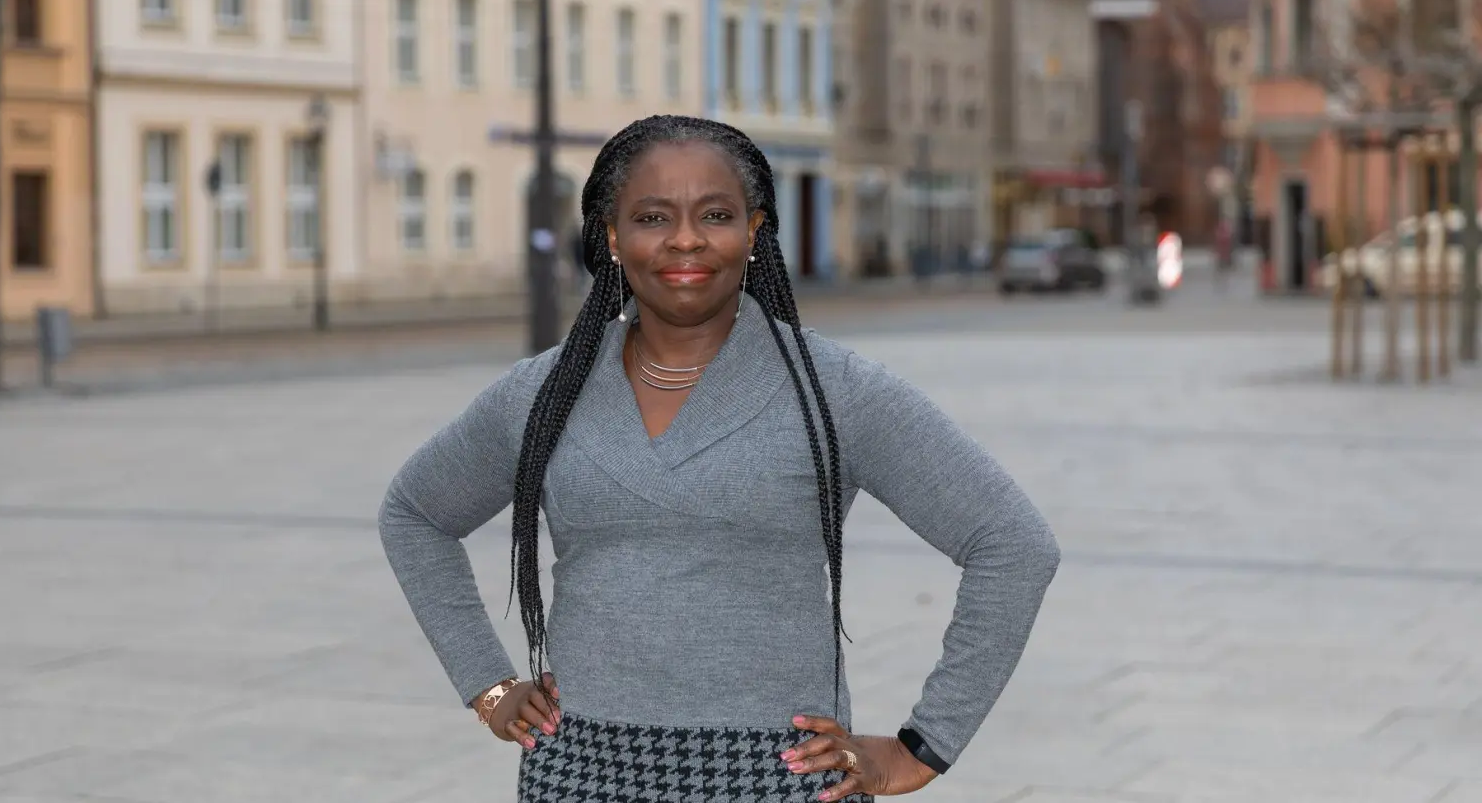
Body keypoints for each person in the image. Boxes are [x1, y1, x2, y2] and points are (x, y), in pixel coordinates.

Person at [379, 116, 1061, 802]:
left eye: (715, 214)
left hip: (773, 776)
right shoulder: (543, 394)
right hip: (579, 771)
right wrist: (489, 686)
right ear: (612, 236)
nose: (685, 239)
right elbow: (415, 513)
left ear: (755, 232)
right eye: (651, 216)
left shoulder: (832, 389)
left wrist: (921, 748)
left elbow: (1012, 543)